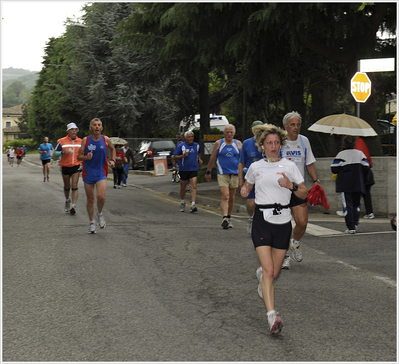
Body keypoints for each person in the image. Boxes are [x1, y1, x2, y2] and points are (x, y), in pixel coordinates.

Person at [241, 123, 307, 335]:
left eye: (277, 143)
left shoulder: (289, 166)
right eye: (269, 143)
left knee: (274, 272)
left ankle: (262, 275)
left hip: (283, 223)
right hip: (262, 220)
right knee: (270, 271)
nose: (273, 146)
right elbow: (247, 186)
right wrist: (244, 189)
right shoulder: (256, 167)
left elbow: (304, 192)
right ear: (262, 146)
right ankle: (272, 317)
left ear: (281, 145)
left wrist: (291, 186)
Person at [279, 111, 320, 269]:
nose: (296, 128)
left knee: (302, 223)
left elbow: (309, 163)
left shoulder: (304, 141)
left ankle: (294, 243)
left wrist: (316, 181)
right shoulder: (279, 142)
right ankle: (284, 256)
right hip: (281, 189)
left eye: (298, 125)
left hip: (298, 188)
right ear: (285, 127)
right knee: (283, 224)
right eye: (292, 125)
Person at [77, 118, 116, 234]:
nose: (97, 127)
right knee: (90, 200)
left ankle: (99, 213)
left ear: (101, 128)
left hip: (101, 172)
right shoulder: (86, 140)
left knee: (101, 197)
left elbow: (113, 149)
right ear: (91, 128)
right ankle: (91, 222)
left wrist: (112, 160)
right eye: (95, 125)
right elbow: (79, 157)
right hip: (88, 173)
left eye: (99, 125)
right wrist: (86, 157)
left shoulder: (105, 139)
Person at [331, 136, 370, 234]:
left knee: (347, 205)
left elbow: (334, 168)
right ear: (354, 143)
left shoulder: (341, 154)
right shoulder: (360, 154)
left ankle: (350, 227)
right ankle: (355, 224)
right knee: (356, 204)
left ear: (344, 143)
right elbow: (366, 167)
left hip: (345, 184)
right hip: (358, 183)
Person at [205, 124, 242, 229]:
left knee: (232, 198)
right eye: (227, 132)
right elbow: (212, 158)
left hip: (235, 173)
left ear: (234, 133)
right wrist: (208, 171)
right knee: (225, 195)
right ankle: (224, 218)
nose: (229, 134)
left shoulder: (238, 144)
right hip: (222, 173)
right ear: (224, 133)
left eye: (231, 132)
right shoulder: (219, 143)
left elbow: (243, 159)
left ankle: (229, 218)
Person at [239, 120, 264, 234]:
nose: (258, 132)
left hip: (264, 177)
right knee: (251, 203)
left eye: (260, 129)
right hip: (250, 177)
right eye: (256, 129)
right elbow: (241, 162)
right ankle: (251, 218)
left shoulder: (267, 142)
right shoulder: (246, 143)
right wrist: (240, 179)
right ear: (252, 130)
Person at [53, 123, 83, 215]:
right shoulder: (62, 141)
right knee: (67, 187)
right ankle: (67, 200)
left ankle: (73, 205)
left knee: (74, 186)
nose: (74, 131)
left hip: (76, 166)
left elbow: (83, 153)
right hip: (65, 166)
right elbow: (54, 154)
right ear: (68, 131)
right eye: (72, 129)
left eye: (75, 129)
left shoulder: (81, 141)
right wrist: (63, 152)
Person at [172, 130, 203, 212]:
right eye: (189, 137)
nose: (191, 138)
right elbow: (174, 157)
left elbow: (199, 152)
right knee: (183, 187)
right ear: (185, 138)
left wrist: (199, 158)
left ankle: (193, 204)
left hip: (193, 169)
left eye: (192, 136)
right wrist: (183, 156)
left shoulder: (197, 145)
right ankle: (182, 202)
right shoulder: (181, 146)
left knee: (194, 186)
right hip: (183, 169)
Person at [355, 137, 375, 219]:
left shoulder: (356, 144)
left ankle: (353, 210)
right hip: (367, 172)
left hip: (361, 173)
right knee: (366, 194)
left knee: (356, 193)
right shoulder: (361, 142)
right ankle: (369, 212)